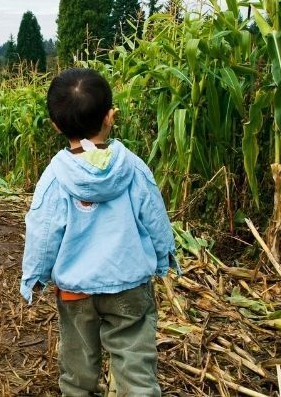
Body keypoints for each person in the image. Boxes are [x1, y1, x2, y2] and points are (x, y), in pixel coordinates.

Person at [20, 68, 180, 396]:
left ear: (55, 125)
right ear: (110, 117)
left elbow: (43, 231)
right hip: (129, 286)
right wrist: (165, 257)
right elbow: (155, 217)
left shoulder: (54, 178)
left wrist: (34, 277)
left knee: (78, 372)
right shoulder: (134, 168)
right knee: (135, 367)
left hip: (76, 291)